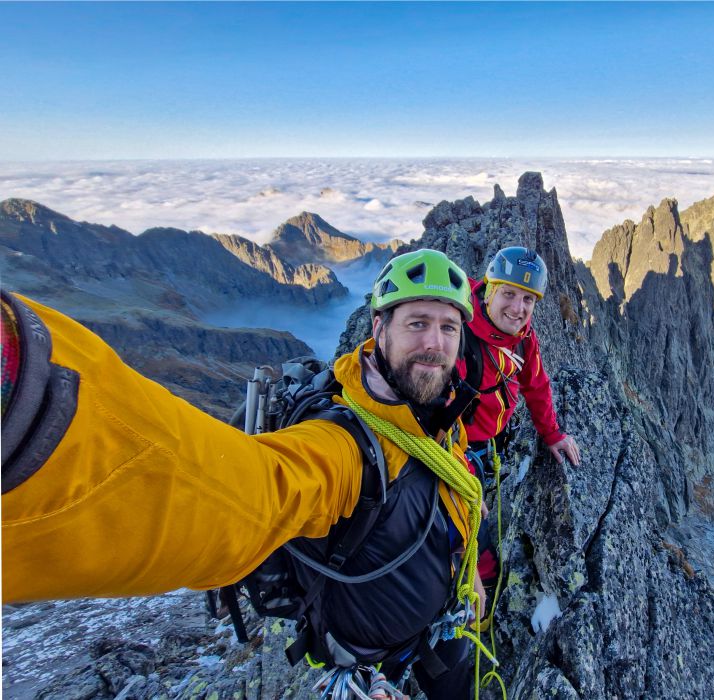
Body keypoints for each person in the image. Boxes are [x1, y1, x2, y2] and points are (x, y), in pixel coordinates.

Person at [1, 249, 487, 700]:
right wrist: (34, 415)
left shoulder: (436, 414)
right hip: (371, 664)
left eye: (448, 327)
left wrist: (466, 574)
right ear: (379, 329)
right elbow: (239, 494)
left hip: (442, 626)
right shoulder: (343, 449)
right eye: (417, 323)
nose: (433, 344)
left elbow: (442, 491)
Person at [460, 245, 581, 481]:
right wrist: (461, 473)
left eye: (528, 299)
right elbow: (433, 412)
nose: (518, 309)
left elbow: (536, 385)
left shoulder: (524, 338)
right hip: (458, 451)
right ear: (490, 291)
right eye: (508, 293)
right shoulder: (459, 330)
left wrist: (552, 433)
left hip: (491, 443)